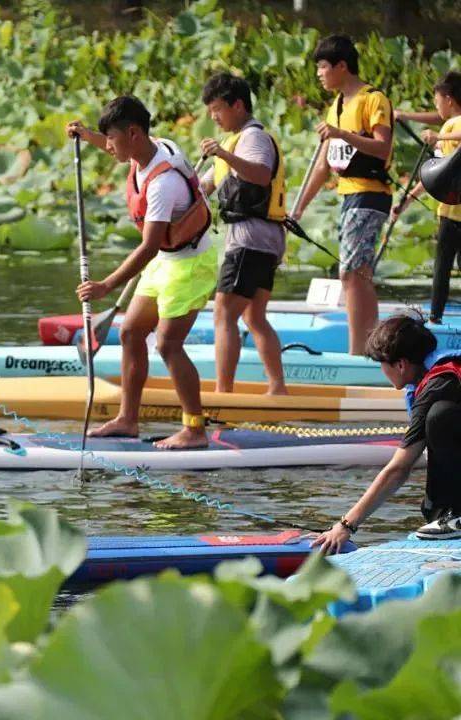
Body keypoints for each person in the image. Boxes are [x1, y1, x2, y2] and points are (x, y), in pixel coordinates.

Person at [67, 96, 216, 449]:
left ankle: (194, 429)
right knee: (132, 333)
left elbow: (148, 247)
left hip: (191, 265)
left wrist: (105, 285)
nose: (109, 147)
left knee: (168, 344)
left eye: (113, 139)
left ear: (133, 134)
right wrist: (85, 134)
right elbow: (111, 145)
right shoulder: (145, 146)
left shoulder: (163, 184)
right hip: (167, 259)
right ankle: (127, 420)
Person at [313, 315, 461, 554]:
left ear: (401, 364)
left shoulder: (438, 385)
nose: (382, 371)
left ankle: (453, 517)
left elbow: (399, 468)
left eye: (382, 364)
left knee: (440, 417)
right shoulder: (445, 374)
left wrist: (346, 525)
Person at [290, 35, 394, 356]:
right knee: (354, 273)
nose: (319, 73)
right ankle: (367, 348)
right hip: (349, 196)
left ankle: (362, 353)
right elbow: (322, 167)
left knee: (352, 273)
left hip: (370, 194)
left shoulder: (372, 99)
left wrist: (341, 134)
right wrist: (298, 210)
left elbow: (383, 147)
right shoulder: (335, 106)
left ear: (342, 66)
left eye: (323, 66)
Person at [198, 72, 289, 395]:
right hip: (262, 239)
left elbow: (261, 174)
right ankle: (277, 388)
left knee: (223, 313)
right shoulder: (232, 143)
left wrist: (223, 155)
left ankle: (223, 393)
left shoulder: (252, 138)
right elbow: (203, 187)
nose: (214, 117)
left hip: (251, 238)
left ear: (238, 105)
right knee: (253, 316)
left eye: (218, 110)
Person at [393, 71, 461, 324]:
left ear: (449, 99)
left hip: (454, 214)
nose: (436, 106)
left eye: (437, 101)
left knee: (442, 269)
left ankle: (435, 320)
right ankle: (435, 319)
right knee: (442, 268)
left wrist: (438, 137)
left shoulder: (454, 125)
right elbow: (436, 174)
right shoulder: (448, 126)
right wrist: (407, 199)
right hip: (448, 211)